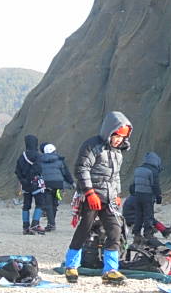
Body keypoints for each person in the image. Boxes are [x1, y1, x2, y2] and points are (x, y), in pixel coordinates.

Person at [63, 111, 133, 286]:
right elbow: (81, 168)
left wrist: (117, 194)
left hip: (109, 199)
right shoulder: (92, 145)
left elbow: (115, 176)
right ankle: (71, 266)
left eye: (122, 137)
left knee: (115, 230)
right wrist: (89, 193)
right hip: (91, 197)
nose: (119, 140)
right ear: (110, 131)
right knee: (85, 229)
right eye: (117, 135)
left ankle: (110, 270)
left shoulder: (118, 152)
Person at [38, 143, 75, 231]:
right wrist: (71, 182)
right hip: (58, 184)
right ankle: (52, 223)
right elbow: (65, 173)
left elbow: (38, 172)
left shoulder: (40, 161)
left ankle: (51, 224)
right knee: (54, 204)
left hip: (46, 184)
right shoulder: (59, 160)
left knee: (48, 205)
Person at [14, 135, 46, 235]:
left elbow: (17, 170)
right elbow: (38, 169)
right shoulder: (37, 155)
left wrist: (23, 180)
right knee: (40, 203)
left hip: (25, 185)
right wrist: (30, 178)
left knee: (26, 205)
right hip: (35, 183)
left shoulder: (22, 156)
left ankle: (25, 227)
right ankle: (35, 224)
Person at [131, 151, 164, 244]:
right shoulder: (153, 171)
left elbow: (133, 184)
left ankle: (136, 234)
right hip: (147, 196)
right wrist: (159, 197)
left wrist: (133, 193)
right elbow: (155, 185)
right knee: (148, 216)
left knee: (138, 215)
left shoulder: (138, 169)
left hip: (137, 195)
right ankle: (148, 234)